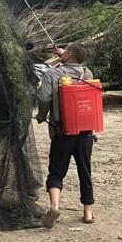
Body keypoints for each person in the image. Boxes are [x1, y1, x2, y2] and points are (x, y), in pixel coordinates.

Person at [36, 42, 95, 229]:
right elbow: (73, 67)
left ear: (69, 54)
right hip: (85, 133)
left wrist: (41, 116)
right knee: (85, 171)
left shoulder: (52, 74)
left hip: (62, 133)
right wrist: (65, 56)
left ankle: (54, 206)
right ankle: (88, 213)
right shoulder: (88, 74)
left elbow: (44, 98)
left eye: (65, 50)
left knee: (56, 171)